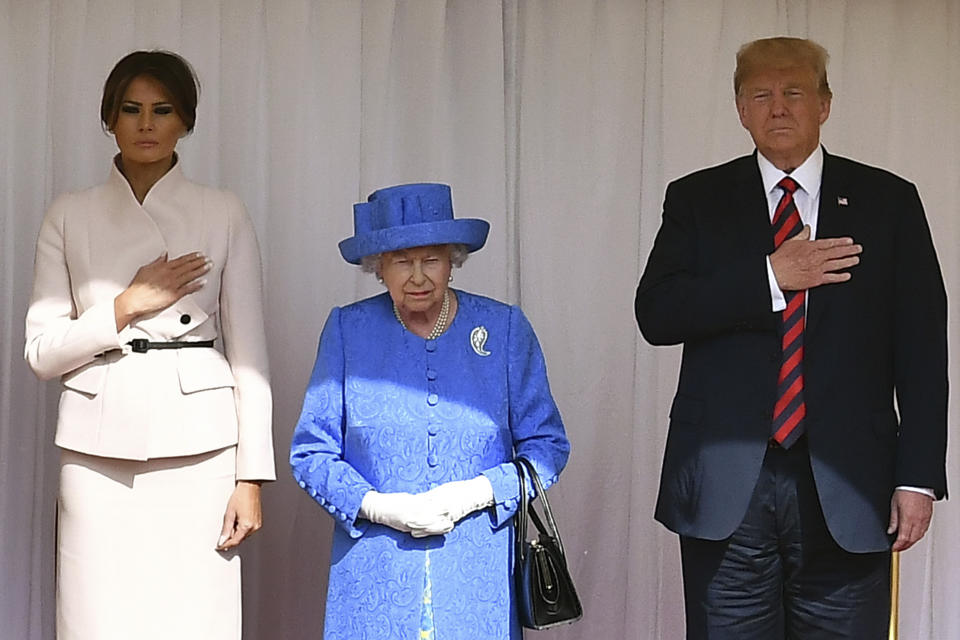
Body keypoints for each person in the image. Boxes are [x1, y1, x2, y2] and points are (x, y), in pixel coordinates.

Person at [635, 37, 947, 639]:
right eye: (762, 94)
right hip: (728, 491)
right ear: (740, 109)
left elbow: (923, 350)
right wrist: (771, 276)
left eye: (794, 92)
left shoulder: (889, 202)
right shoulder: (697, 199)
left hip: (851, 486)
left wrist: (917, 477)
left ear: (825, 105)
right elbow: (657, 314)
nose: (778, 107)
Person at [24, 51, 274, 640]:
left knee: (196, 619)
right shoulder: (70, 213)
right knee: (94, 620)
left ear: (185, 122)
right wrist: (126, 303)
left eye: (162, 110)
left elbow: (251, 356)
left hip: (204, 450)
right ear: (109, 118)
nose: (145, 124)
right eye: (131, 109)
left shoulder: (224, 210)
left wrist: (251, 477)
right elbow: (41, 353)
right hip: (95, 453)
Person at [290, 183, 570, 640]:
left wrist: (477, 493)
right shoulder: (348, 329)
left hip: (476, 578)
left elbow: (547, 447)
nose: (417, 276)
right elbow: (310, 453)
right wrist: (378, 507)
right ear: (378, 267)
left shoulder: (503, 329)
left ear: (453, 261)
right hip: (373, 578)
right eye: (401, 261)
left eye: (431, 260)